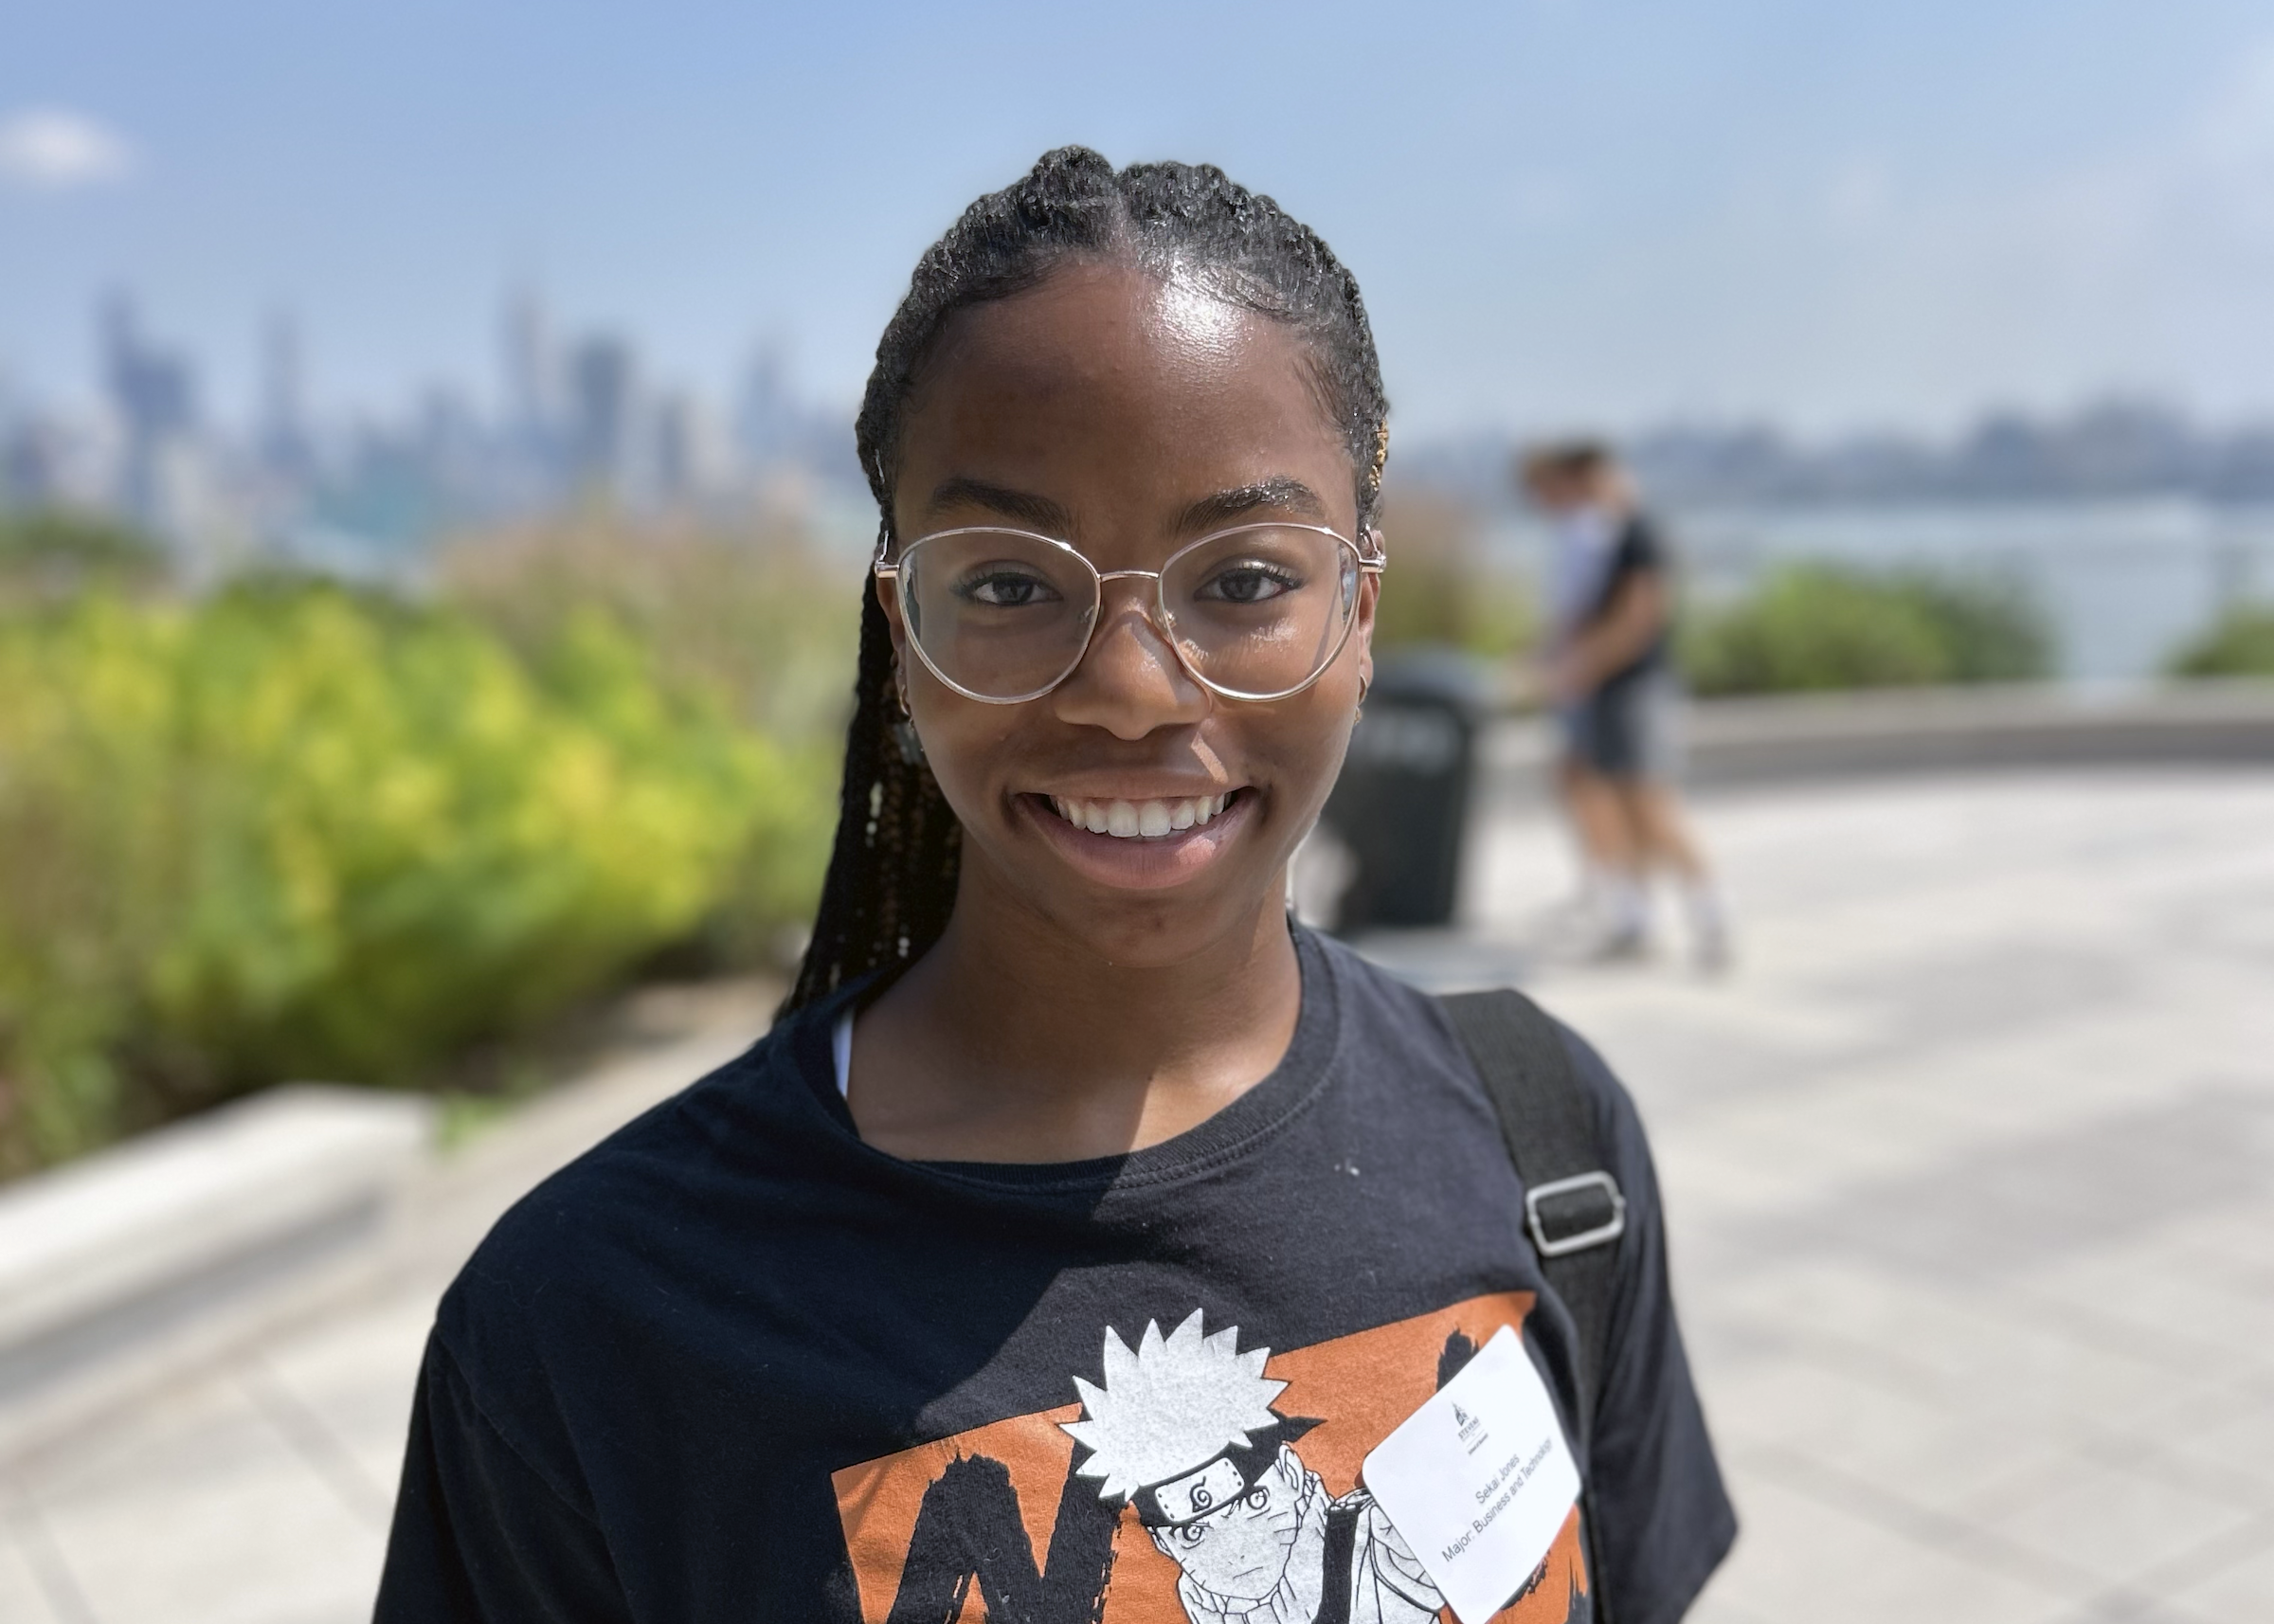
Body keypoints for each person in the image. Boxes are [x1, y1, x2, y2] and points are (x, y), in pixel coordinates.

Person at [375, 149, 1734, 1624]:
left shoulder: (1545, 1144)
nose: (1133, 690)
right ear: (906, 636)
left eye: (1246, 578)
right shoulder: (594, 1325)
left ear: (1362, 613)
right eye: (1012, 585)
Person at [1521, 443, 1729, 968]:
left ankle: (1708, 911)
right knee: (1602, 795)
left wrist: (1578, 667)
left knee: (1646, 801)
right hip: (1603, 689)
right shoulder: (1607, 534)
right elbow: (1588, 612)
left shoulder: (1637, 535)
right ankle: (1633, 914)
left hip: (1632, 689)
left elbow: (1640, 620)